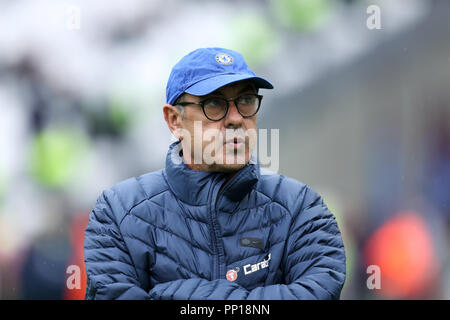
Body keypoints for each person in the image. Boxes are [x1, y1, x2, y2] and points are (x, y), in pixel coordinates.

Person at [83, 47, 346, 300]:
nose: (235, 118)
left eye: (245, 100)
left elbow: (319, 292)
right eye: (214, 104)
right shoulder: (117, 213)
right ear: (175, 121)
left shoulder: (301, 206)